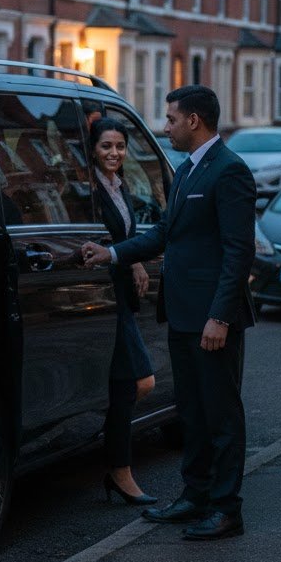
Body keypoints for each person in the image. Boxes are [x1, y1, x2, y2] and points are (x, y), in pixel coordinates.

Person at [81, 85, 256, 541]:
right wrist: (113, 253)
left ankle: (225, 509)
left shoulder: (230, 171)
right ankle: (194, 497)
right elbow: (164, 233)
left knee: (221, 415)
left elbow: (239, 252)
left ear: (194, 121)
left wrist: (220, 317)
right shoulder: (186, 171)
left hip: (211, 320)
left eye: (171, 119)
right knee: (193, 415)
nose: (166, 126)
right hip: (180, 316)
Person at [88, 117, 158, 507]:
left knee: (127, 386)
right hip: (106, 297)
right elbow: (102, 238)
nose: (114, 153)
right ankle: (118, 467)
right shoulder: (91, 189)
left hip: (122, 297)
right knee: (137, 382)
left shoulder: (120, 186)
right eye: (105, 147)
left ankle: (119, 469)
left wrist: (134, 260)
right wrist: (130, 261)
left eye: (119, 146)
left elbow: (126, 236)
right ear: (93, 150)